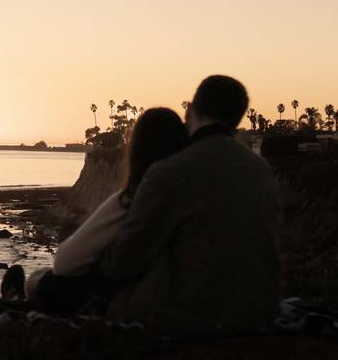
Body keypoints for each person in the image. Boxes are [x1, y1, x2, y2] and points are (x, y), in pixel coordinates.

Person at [99, 75, 280, 337]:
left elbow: (126, 260)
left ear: (189, 111)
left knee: (53, 288)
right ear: (238, 119)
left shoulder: (170, 171)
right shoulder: (260, 169)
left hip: (192, 316)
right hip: (260, 310)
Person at [0, 108, 189, 317]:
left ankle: (17, 301)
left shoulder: (131, 201)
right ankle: (17, 299)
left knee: (37, 281)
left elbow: (65, 262)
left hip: (122, 303)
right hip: (174, 304)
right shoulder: (193, 198)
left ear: (135, 152)